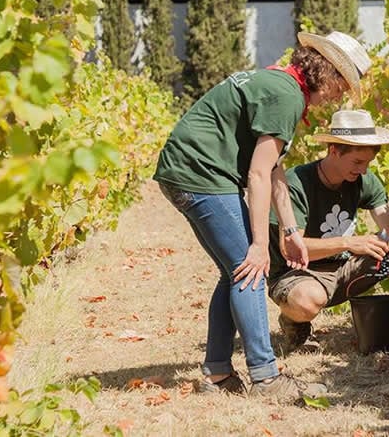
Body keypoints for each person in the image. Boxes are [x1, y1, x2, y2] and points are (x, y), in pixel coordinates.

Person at [153, 31, 371, 400]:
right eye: (343, 83)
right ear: (329, 73)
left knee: (234, 272)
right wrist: (259, 244)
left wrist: (290, 229)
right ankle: (266, 378)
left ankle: (218, 375)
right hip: (202, 174)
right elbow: (256, 174)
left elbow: (275, 170)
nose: (341, 94)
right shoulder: (286, 96)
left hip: (188, 171)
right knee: (251, 267)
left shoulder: (278, 83)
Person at [267, 109, 389, 351]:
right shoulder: (297, 184)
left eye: (367, 163)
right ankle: (294, 321)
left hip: (346, 270)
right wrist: (349, 243)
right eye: (357, 162)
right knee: (308, 301)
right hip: (298, 273)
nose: (364, 170)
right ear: (334, 151)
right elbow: (292, 250)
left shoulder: (364, 179)